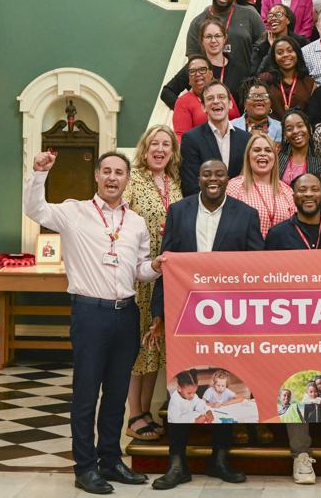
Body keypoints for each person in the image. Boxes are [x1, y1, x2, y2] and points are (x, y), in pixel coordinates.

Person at [25, 150, 162, 494]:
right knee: (86, 395)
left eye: (119, 172)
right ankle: (85, 467)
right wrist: (39, 174)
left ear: (127, 179)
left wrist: (156, 267)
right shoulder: (75, 212)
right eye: (107, 172)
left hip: (126, 314)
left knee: (116, 395)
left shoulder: (136, 222)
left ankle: (111, 460)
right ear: (97, 177)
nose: (113, 178)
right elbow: (35, 210)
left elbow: (140, 271)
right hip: (89, 314)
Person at [147, 159, 263, 490]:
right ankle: (177, 462)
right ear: (198, 178)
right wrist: (158, 314)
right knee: (179, 388)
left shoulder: (246, 215)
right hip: (185, 317)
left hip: (229, 318)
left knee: (224, 384)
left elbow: (256, 270)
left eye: (219, 174)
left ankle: (220, 458)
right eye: (207, 174)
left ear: (229, 179)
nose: (213, 179)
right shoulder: (179, 212)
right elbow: (166, 266)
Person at [123, 127, 182, 444]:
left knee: (154, 347)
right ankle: (134, 414)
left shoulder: (175, 184)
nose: (160, 149)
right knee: (138, 347)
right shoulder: (132, 180)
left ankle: (146, 411)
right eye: (154, 144)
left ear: (172, 151)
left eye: (166, 145)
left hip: (167, 274)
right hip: (139, 273)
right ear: (144, 149)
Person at [179, 82, 248, 192]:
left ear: (230, 104)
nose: (216, 101)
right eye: (210, 98)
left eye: (221, 97)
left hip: (238, 206)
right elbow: (191, 185)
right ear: (203, 107)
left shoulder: (246, 139)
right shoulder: (191, 139)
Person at [186, 0, 265, 64]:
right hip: (211, 78)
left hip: (244, 77)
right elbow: (193, 59)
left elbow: (265, 48)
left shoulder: (250, 15)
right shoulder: (198, 22)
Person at [226, 132, 294, 236]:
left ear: (274, 157)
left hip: (281, 250)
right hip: (246, 251)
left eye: (268, 150)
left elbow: (295, 229)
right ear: (248, 156)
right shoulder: (234, 187)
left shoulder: (287, 191)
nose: (262, 153)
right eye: (257, 150)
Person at [261, 36, 316, 120]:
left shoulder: (309, 83)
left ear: (297, 53)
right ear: (274, 57)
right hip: (271, 131)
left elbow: (312, 114)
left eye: (290, 51)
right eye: (280, 52)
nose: (285, 55)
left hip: (299, 130)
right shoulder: (265, 79)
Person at [278, 109, 321, 184]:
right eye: (289, 129)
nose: (295, 131)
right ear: (285, 135)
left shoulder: (319, 162)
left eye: (300, 126)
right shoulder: (277, 158)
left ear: (309, 128)